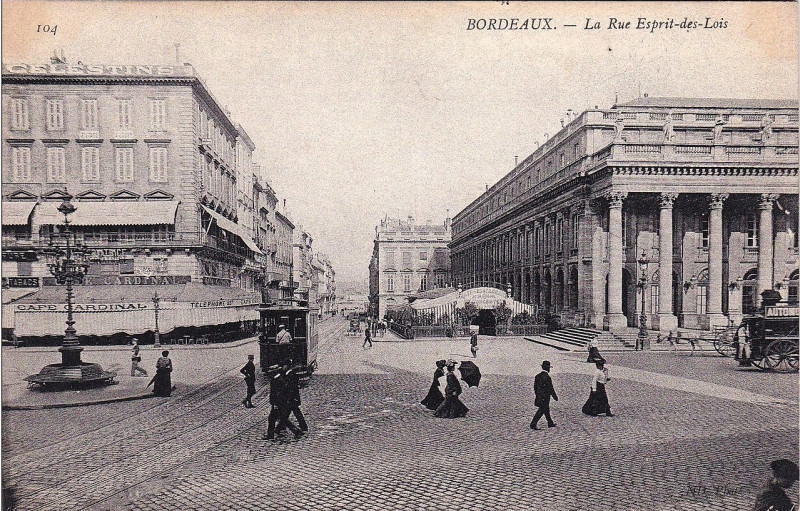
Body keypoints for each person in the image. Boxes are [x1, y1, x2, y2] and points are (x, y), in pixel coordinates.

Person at [264, 364, 304, 440]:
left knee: (272, 419)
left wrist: (275, 403)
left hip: (278, 402)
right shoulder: (279, 378)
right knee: (282, 419)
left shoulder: (276, 379)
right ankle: (296, 431)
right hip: (281, 402)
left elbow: (276, 393)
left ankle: (270, 436)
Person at [530, 360, 558, 430]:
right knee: (542, 410)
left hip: (539, 396)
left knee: (546, 410)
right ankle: (533, 424)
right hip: (545, 397)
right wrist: (555, 396)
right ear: (548, 369)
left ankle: (550, 423)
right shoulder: (547, 377)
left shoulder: (537, 376)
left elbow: (535, 387)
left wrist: (537, 394)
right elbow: (550, 388)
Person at [282, 365, 308, 432]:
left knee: (290, 413)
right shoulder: (290, 373)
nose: (283, 368)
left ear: (286, 366)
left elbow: (292, 387)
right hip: (292, 398)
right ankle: (303, 426)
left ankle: (303, 427)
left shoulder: (291, 375)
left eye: (283, 366)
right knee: (290, 413)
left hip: (292, 398)